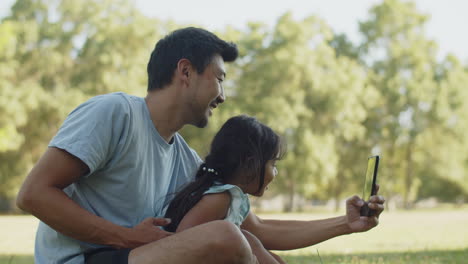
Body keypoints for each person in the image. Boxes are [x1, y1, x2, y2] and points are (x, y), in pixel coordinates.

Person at [16, 27, 385, 264]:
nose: (223, 95)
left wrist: (346, 223)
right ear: (186, 72)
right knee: (226, 235)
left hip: (137, 255)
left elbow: (257, 227)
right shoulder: (114, 114)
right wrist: (126, 237)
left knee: (237, 236)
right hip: (87, 259)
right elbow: (33, 194)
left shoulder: (184, 159)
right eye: (220, 79)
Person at [164, 115, 286, 263]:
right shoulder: (218, 199)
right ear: (250, 165)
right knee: (249, 241)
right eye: (273, 165)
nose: (275, 172)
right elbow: (180, 245)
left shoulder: (232, 197)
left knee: (254, 243)